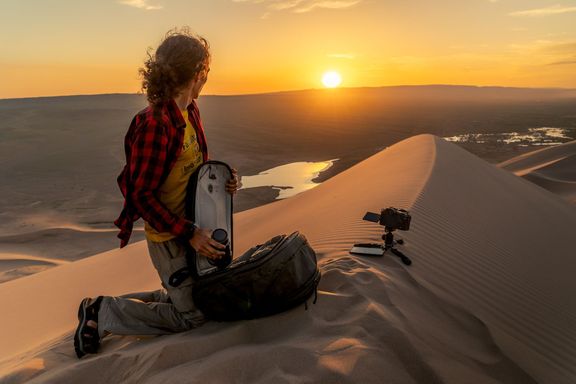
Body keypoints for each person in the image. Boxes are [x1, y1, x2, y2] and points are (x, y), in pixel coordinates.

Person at [73, 28, 240, 358]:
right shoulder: (155, 123)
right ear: (197, 73)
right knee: (192, 316)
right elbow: (141, 196)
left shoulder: (190, 112)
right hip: (170, 237)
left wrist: (224, 181)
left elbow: (193, 171)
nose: (207, 78)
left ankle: (129, 303)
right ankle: (102, 312)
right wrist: (188, 233)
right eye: (206, 71)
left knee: (195, 295)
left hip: (195, 227)